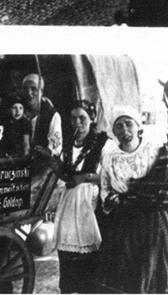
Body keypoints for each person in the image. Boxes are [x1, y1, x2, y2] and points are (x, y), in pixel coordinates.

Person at [97, 106, 168, 294]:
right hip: (125, 223)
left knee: (159, 273)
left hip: (155, 222)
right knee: (126, 275)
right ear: (114, 132)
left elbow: (166, 180)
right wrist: (116, 200)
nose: (125, 130)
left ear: (138, 127)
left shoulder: (154, 150)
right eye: (118, 126)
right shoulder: (110, 159)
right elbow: (106, 190)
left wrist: (137, 196)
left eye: (129, 124)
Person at [37, 100, 117, 293]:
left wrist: (87, 177)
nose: (77, 123)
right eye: (73, 119)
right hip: (70, 205)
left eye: (82, 118)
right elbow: (65, 174)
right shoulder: (68, 144)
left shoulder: (104, 144)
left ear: (92, 119)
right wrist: (49, 159)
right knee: (68, 257)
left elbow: (115, 176)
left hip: (93, 208)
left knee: (92, 260)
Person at [22, 74, 62, 156]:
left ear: (41, 91)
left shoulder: (52, 115)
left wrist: (45, 151)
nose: (29, 93)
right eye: (25, 88)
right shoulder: (19, 111)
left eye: (33, 89)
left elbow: (56, 148)